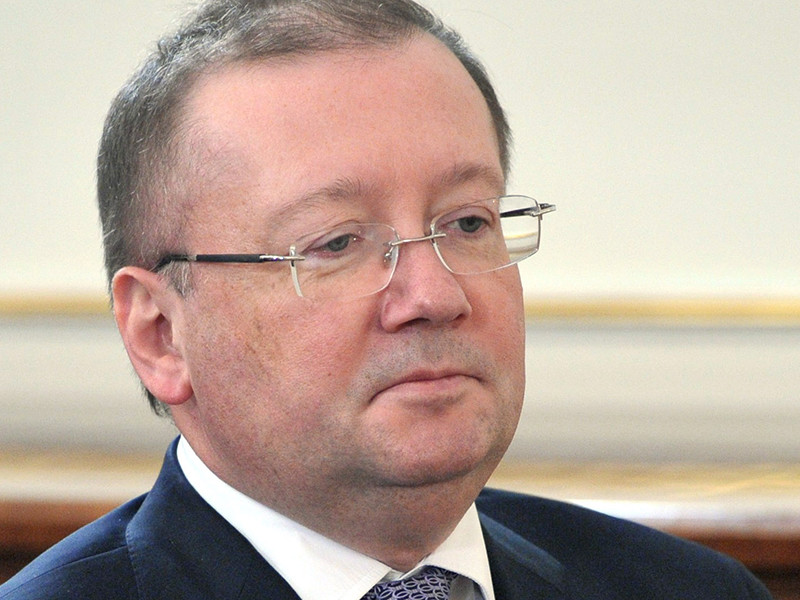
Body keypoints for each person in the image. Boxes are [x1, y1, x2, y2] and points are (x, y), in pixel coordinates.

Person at [0, 1, 773, 599]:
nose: (434, 294)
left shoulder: (688, 589)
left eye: (467, 223)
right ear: (161, 334)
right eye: (337, 243)